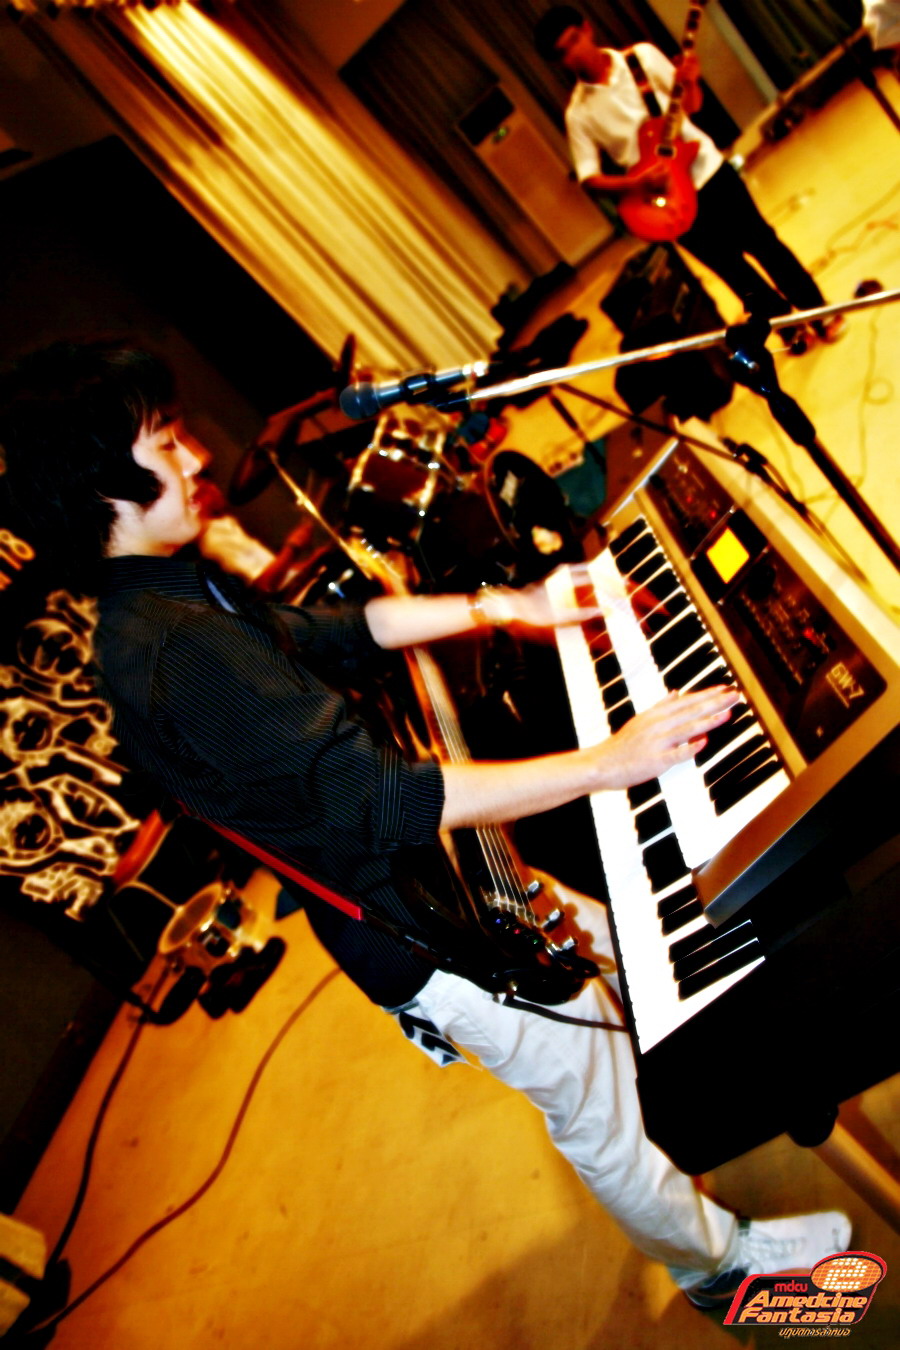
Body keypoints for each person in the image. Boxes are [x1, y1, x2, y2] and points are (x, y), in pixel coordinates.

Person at [0, 340, 851, 1311]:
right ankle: (714, 1267)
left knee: (634, 951)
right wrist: (611, 762)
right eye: (165, 440)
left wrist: (511, 605)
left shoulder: (159, 598)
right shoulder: (174, 650)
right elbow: (387, 798)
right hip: (425, 929)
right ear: (102, 487)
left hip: (435, 880)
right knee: (595, 1101)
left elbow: (334, 632)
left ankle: (736, 1084)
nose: (196, 456)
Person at [534, 6, 846, 347]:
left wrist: (692, 80)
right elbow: (589, 177)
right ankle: (788, 326)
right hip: (666, 200)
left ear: (587, 29)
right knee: (732, 271)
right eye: (563, 53)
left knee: (764, 243)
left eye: (574, 40)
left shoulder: (641, 58)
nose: (575, 54)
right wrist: (634, 184)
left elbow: (692, 105)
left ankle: (819, 312)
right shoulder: (578, 114)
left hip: (708, 171)